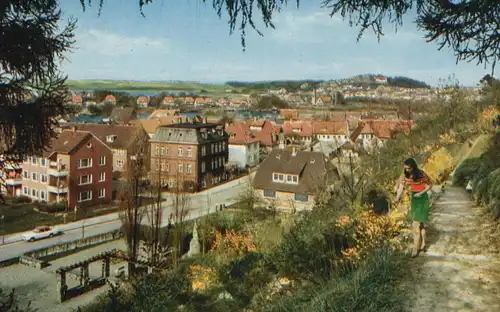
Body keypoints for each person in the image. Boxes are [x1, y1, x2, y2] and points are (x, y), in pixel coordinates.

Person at [395, 158, 433, 258]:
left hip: (422, 199)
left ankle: (415, 248)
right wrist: (397, 197)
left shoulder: (421, 174)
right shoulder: (404, 175)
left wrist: (421, 193)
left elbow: (430, 185)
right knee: (420, 223)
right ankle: (423, 244)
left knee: (416, 224)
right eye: (405, 168)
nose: (406, 170)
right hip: (414, 200)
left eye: (408, 168)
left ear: (413, 167)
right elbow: (400, 188)